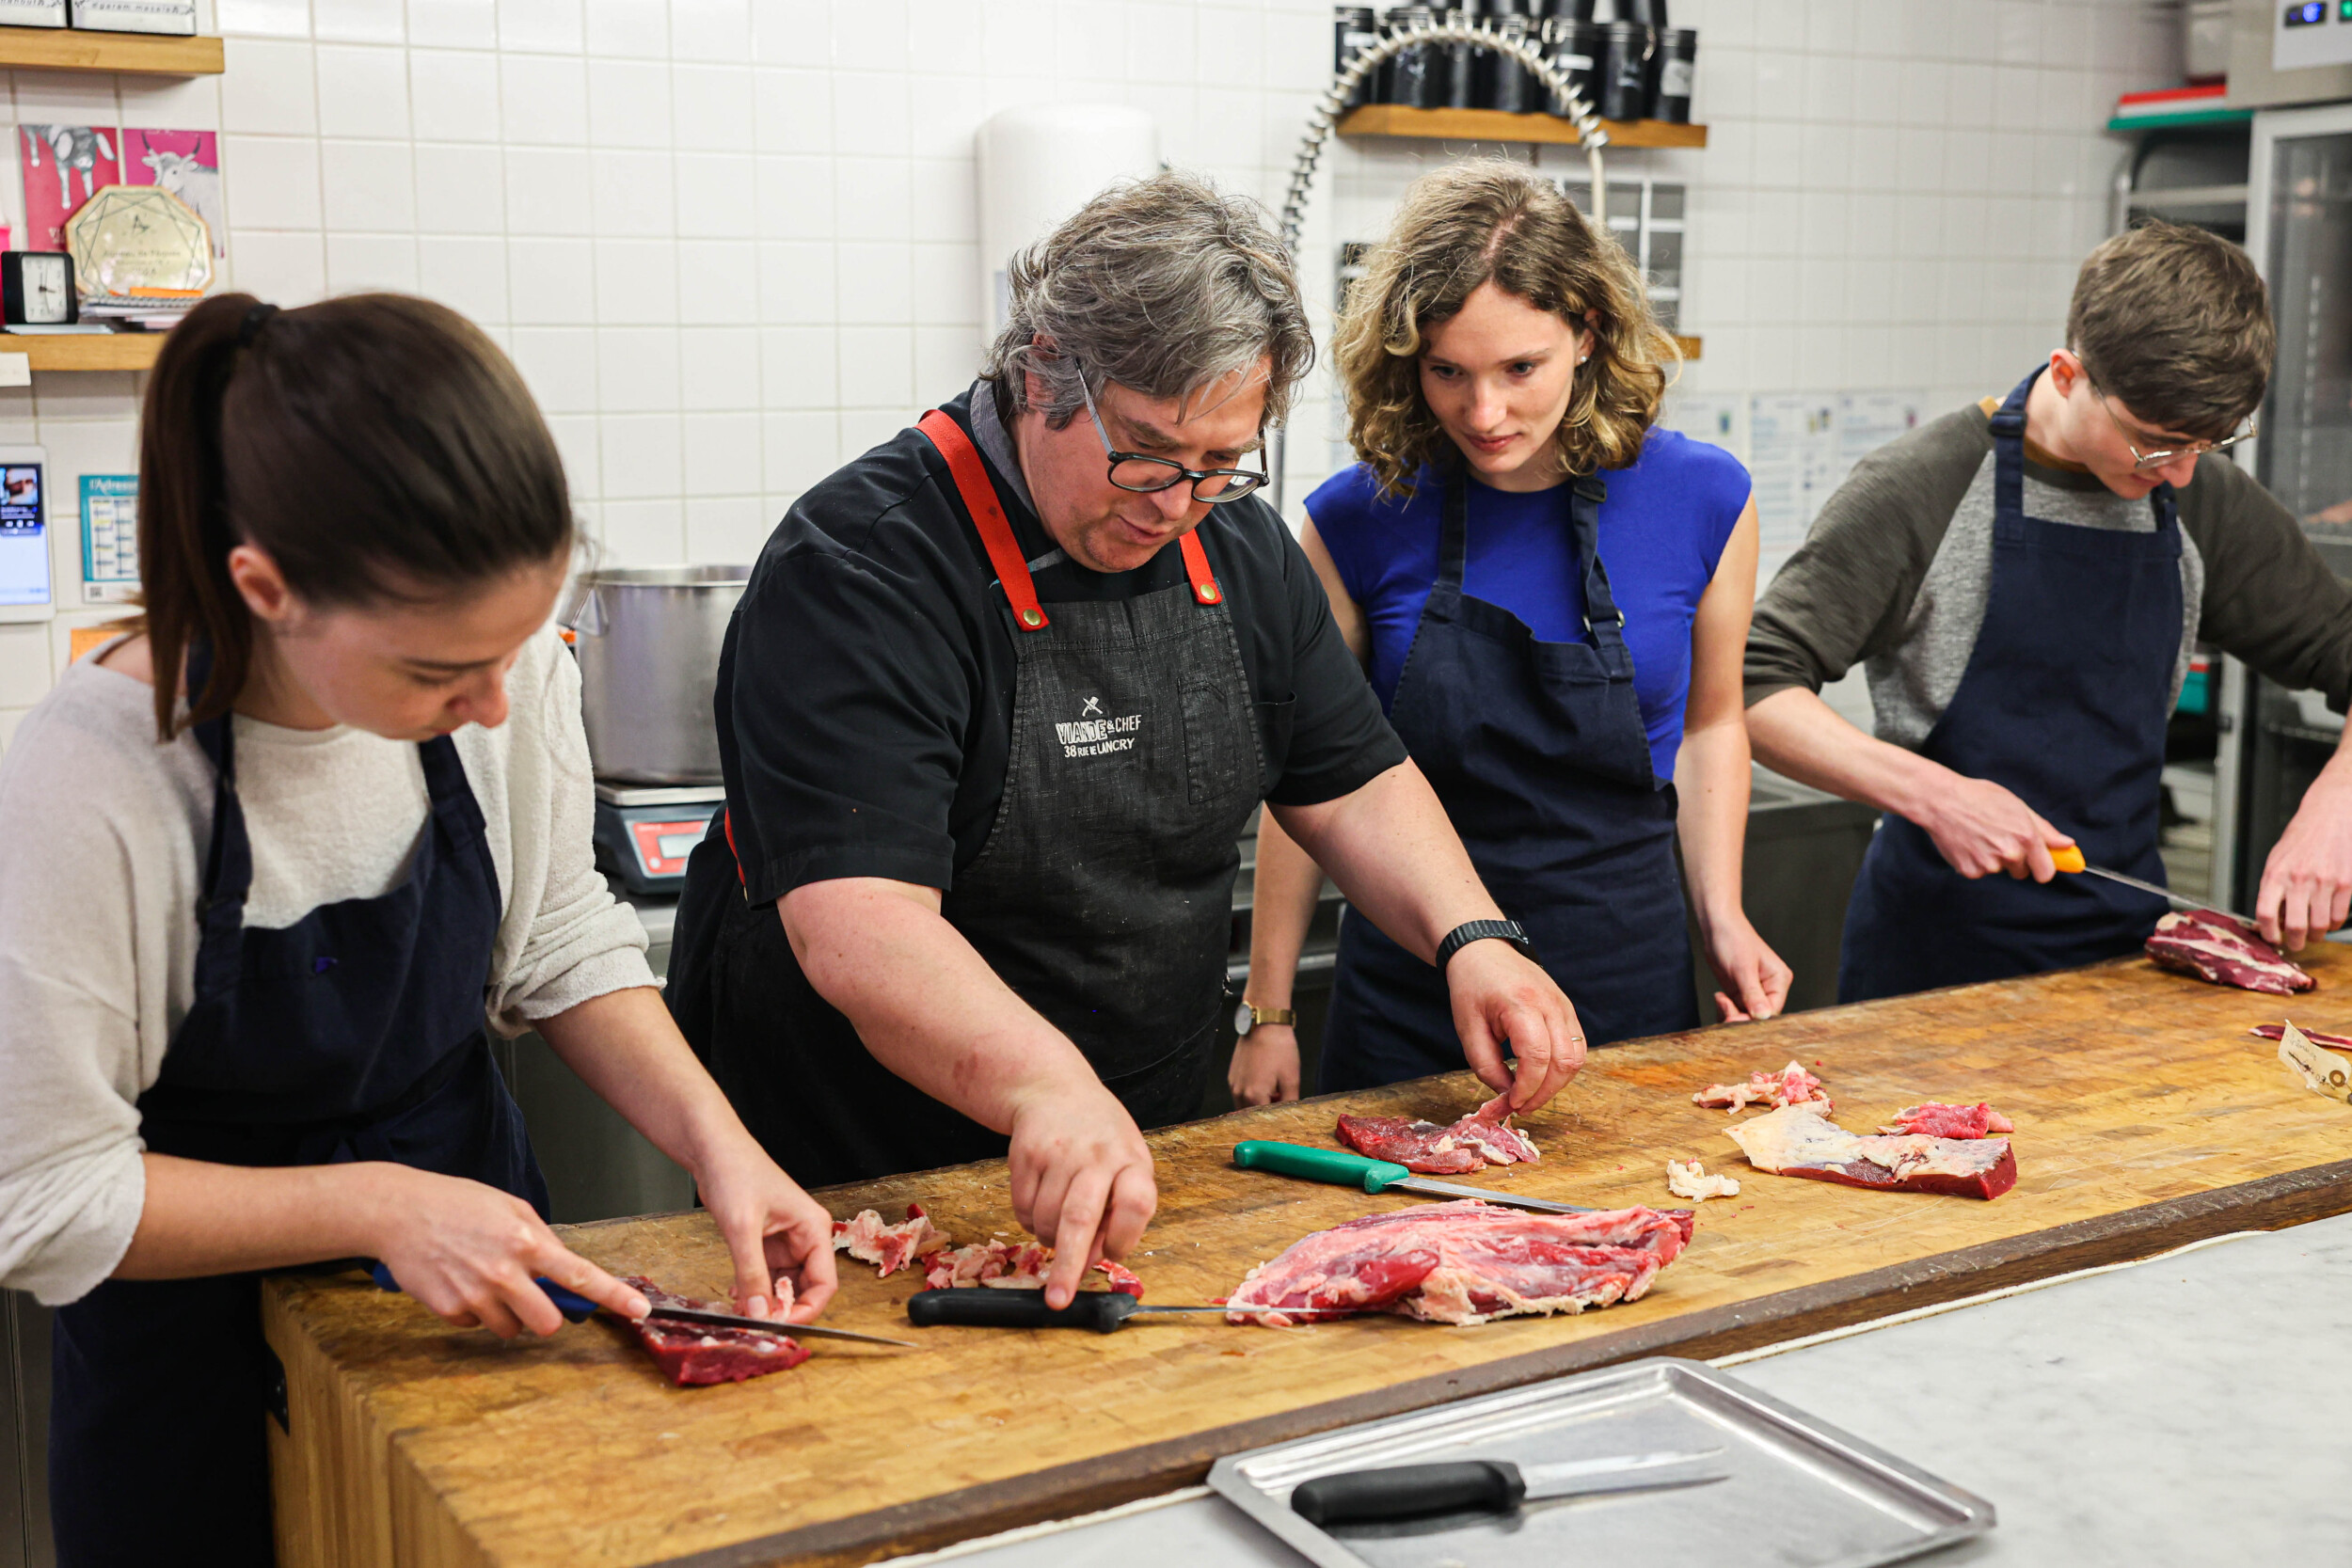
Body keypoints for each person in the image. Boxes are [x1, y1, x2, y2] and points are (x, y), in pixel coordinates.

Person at [0, 293, 839, 1564]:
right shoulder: (97, 775)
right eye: (441, 673)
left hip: (482, 1325)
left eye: (519, 649)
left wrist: (721, 1144)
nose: (495, 700)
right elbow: (44, 1196)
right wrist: (379, 1205)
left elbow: (556, 932)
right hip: (192, 1381)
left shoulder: (501, 669)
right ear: (267, 588)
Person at [667, 173, 1587, 1310]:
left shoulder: (1233, 546)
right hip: (861, 1184)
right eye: (1148, 455)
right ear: (1045, 371)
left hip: (1146, 1138)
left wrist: (1472, 936)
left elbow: (1350, 780)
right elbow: (859, 927)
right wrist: (1045, 1080)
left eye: (1219, 464)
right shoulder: (861, 565)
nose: (1175, 504)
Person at [1231, 160, 1786, 1106]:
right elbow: (1313, 774)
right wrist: (1269, 1009)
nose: (1482, 415)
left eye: (1518, 369)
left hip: (1622, 970)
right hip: (1412, 988)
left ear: (1588, 331)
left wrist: (1721, 912)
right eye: (1448, 371)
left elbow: (1710, 724)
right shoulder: (1355, 520)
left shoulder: (1705, 499)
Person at [1743, 221, 2352, 1002]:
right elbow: (1752, 684)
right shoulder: (1922, 487)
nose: (2184, 475)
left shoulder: (2205, 506)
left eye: (2211, 443)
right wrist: (1934, 794)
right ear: (2067, 374)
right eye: (2156, 443)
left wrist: (2335, 803)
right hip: (1931, 969)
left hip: (2132, 964)